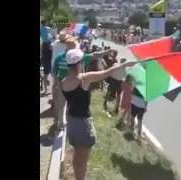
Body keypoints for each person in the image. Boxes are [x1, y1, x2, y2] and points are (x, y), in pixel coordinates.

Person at [61, 48, 136, 180]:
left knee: (77, 153)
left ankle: (77, 175)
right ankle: (80, 178)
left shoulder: (63, 81)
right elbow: (105, 73)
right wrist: (124, 65)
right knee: (83, 156)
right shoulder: (84, 79)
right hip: (82, 122)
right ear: (78, 63)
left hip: (71, 120)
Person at [52, 37, 114, 133]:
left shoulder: (59, 57)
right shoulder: (79, 57)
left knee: (61, 105)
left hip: (62, 85)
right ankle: (68, 125)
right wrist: (106, 52)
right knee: (74, 106)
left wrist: (55, 84)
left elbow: (55, 72)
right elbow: (95, 55)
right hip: (76, 85)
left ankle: (60, 123)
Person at [40, 19, 53, 93]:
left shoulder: (41, 29)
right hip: (49, 57)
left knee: (45, 74)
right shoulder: (48, 29)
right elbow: (51, 36)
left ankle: (45, 89)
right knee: (52, 73)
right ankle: (54, 87)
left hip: (44, 56)